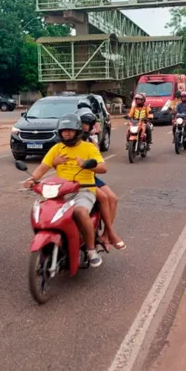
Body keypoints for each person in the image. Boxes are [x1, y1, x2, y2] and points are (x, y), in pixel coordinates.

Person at [23, 114, 108, 267]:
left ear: (77, 131)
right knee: (44, 213)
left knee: (80, 212)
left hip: (84, 190)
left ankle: (90, 249)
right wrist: (31, 179)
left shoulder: (88, 147)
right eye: (64, 131)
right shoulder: (56, 149)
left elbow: (103, 167)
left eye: (70, 130)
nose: (67, 133)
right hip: (60, 191)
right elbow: (43, 167)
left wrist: (86, 165)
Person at [76, 107, 126, 252]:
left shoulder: (91, 141)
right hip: (74, 178)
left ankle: (106, 235)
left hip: (90, 176)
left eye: (87, 124)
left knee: (113, 198)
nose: (85, 126)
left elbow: (98, 162)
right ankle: (111, 233)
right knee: (104, 197)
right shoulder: (69, 139)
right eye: (83, 123)